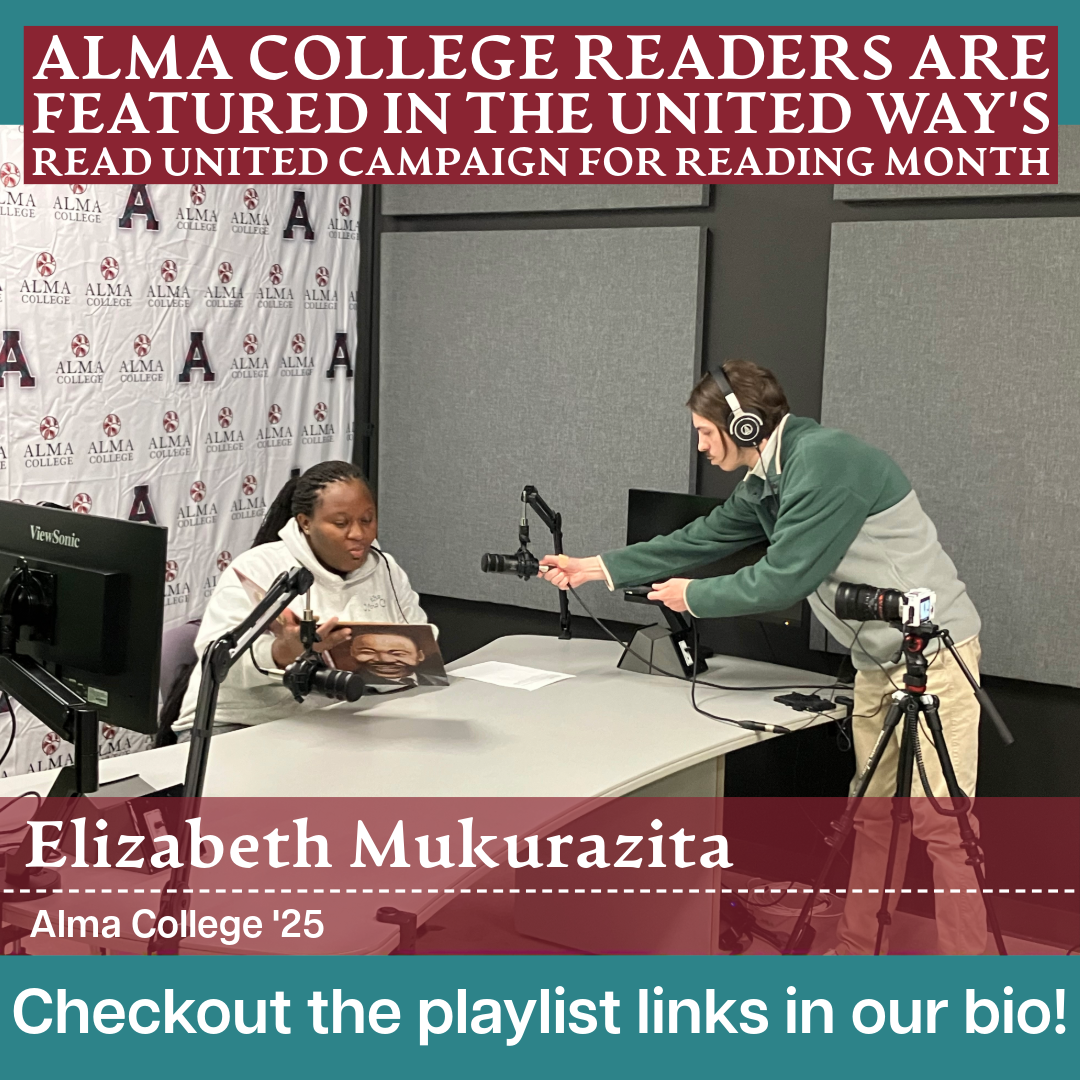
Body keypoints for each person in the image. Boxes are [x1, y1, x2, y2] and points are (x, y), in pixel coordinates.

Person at [539, 359, 987, 956]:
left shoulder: (825, 462)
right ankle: (858, 955)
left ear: (744, 426)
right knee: (874, 816)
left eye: (704, 432)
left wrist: (692, 596)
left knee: (944, 826)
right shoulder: (770, 479)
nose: (700, 446)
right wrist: (594, 567)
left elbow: (783, 579)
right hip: (880, 663)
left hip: (934, 655)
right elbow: (702, 538)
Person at [176, 460, 430, 730]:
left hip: (341, 722)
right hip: (241, 723)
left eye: (367, 520)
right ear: (305, 523)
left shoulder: (386, 569)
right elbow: (216, 665)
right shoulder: (256, 568)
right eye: (341, 523)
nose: (358, 534)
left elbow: (424, 644)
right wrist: (281, 652)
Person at [342, 630, 444, 688]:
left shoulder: (437, 681)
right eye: (368, 652)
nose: (384, 660)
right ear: (352, 652)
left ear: (420, 656)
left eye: (398, 654)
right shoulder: (348, 685)